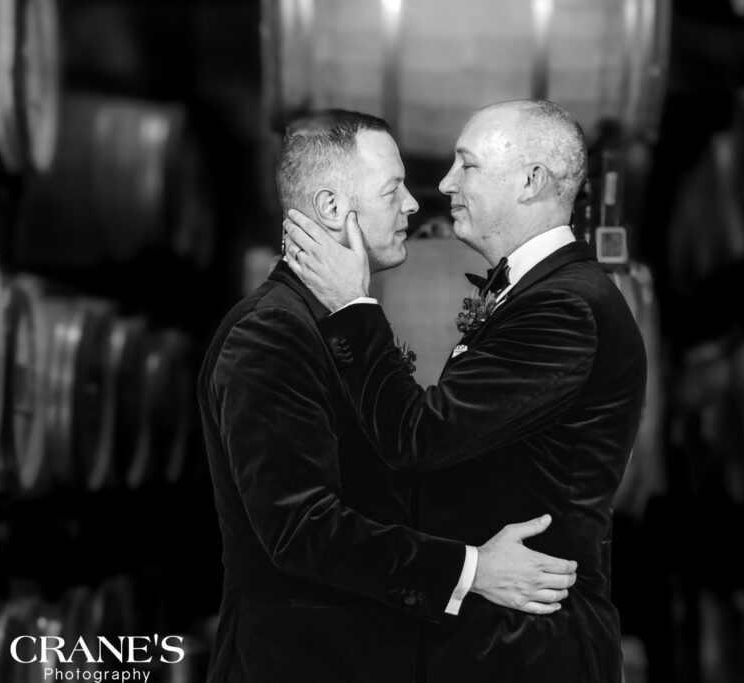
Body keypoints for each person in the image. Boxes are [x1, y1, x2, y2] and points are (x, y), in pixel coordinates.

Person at [197, 109, 578, 683]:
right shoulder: (272, 332)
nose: (412, 205)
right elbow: (303, 529)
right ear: (330, 208)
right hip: (299, 661)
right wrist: (472, 570)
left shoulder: (326, 319)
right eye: (392, 189)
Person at [283, 99, 647, 683]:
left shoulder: (565, 307)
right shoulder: (542, 294)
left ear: (531, 182)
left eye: (467, 165)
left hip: (528, 647)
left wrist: (351, 306)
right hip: (498, 637)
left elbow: (418, 436)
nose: (446, 183)